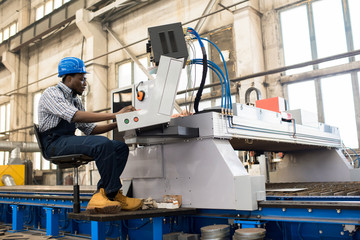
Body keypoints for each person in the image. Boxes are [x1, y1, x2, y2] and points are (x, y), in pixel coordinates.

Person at [38, 57, 142, 213]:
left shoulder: (75, 100)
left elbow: (90, 129)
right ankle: (106, 194)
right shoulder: (52, 94)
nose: (85, 83)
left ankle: (107, 194)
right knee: (102, 144)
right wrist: (114, 114)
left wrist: (120, 122)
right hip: (54, 144)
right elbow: (75, 116)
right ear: (69, 78)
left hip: (67, 140)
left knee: (119, 147)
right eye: (81, 79)